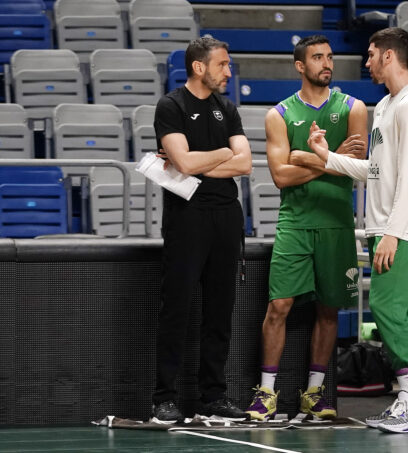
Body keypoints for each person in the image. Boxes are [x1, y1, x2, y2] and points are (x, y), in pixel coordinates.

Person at [306, 27, 408, 434]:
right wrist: (327, 158)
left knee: (386, 308)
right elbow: (376, 171)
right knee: (402, 311)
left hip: (403, 227)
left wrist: (394, 233)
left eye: (371, 54)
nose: (366, 62)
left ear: (389, 56)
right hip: (385, 226)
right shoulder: (384, 105)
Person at [244, 35, 368, 421]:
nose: (326, 63)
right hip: (295, 223)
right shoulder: (278, 115)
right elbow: (280, 176)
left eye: (329, 57)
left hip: (336, 222)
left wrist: (306, 156)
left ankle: (314, 393)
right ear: (300, 66)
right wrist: (328, 158)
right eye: (317, 57)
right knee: (279, 306)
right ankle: (266, 392)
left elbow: (358, 165)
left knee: (329, 311)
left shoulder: (355, 108)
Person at [151, 37, 252, 423]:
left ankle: (214, 396)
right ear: (199, 67)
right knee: (176, 309)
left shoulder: (227, 108)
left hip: (226, 215)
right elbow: (182, 162)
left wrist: (202, 160)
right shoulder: (171, 105)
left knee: (220, 311)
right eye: (223, 65)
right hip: (187, 217)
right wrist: (223, 153)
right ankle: (164, 397)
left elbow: (245, 165)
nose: (228, 71)